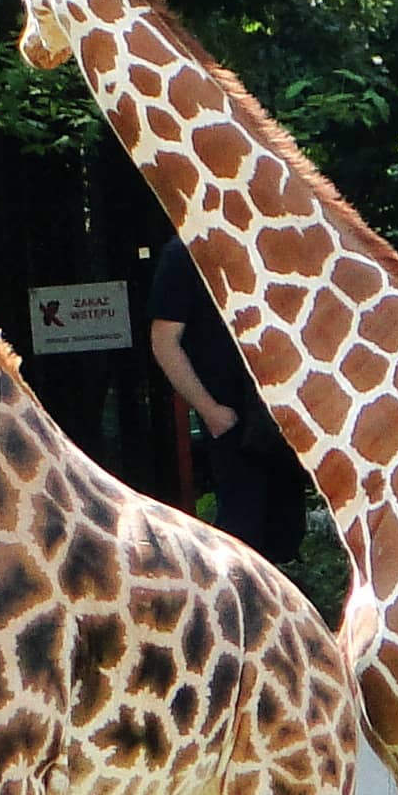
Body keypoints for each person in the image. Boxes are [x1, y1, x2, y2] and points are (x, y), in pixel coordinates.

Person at [148, 237, 310, 568]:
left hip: (283, 415)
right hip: (232, 420)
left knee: (287, 530)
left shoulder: (275, 244)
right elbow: (164, 341)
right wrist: (209, 410)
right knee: (242, 531)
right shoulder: (184, 253)